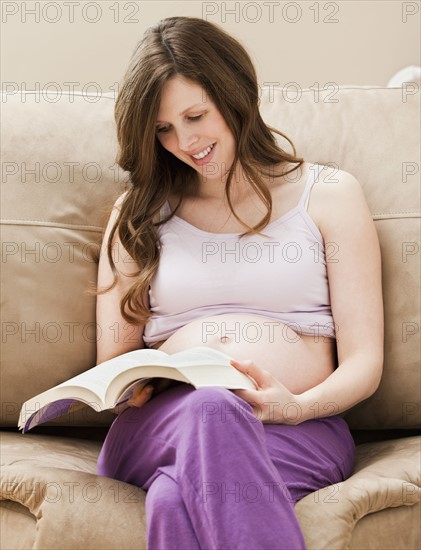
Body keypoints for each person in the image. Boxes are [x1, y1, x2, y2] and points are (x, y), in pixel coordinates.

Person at [94, 16, 384, 550]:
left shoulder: (330, 196)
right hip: (162, 427)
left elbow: (365, 362)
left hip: (300, 426)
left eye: (195, 116)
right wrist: (134, 385)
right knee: (210, 406)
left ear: (236, 95)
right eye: (163, 129)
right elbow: (114, 371)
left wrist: (293, 407)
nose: (185, 142)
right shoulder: (136, 215)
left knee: (172, 501)